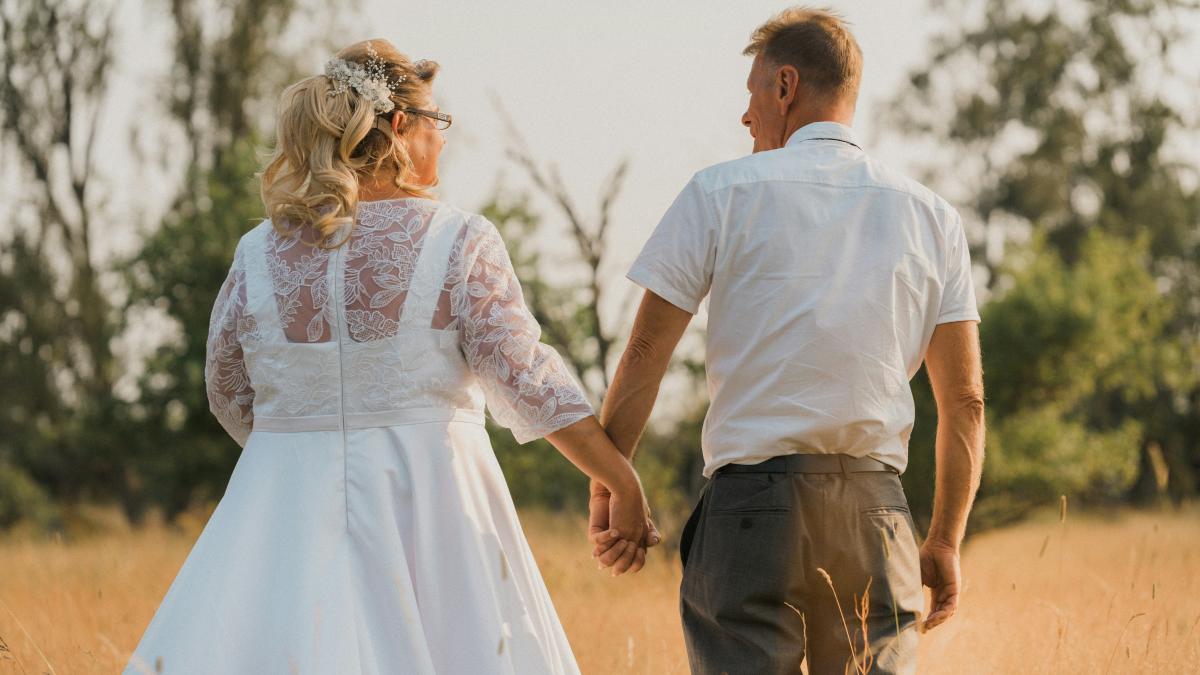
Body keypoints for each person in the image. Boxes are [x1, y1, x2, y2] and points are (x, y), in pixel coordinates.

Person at [125, 39, 650, 675]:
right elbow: (524, 376)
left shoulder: (258, 251)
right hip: (430, 501)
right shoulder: (460, 238)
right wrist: (618, 477)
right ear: (401, 125)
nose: (443, 138)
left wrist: (297, 450)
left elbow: (227, 390)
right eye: (438, 121)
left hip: (283, 503)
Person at [591, 7, 986, 674]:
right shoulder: (933, 216)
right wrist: (945, 539)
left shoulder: (717, 193)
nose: (746, 117)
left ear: (785, 86)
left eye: (752, 94)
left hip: (749, 510)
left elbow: (644, 357)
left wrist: (611, 484)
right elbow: (966, 400)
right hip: (874, 512)